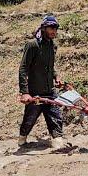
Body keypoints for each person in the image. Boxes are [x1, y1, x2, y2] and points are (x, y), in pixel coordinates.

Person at [18, 15, 65, 148]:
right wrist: (24, 92)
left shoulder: (52, 45)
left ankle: (58, 141)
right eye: (51, 28)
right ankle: (22, 139)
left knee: (55, 116)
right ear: (43, 28)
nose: (54, 32)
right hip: (35, 92)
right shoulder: (32, 45)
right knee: (30, 118)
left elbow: (50, 66)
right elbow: (23, 69)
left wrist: (56, 77)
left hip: (49, 90)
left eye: (55, 29)